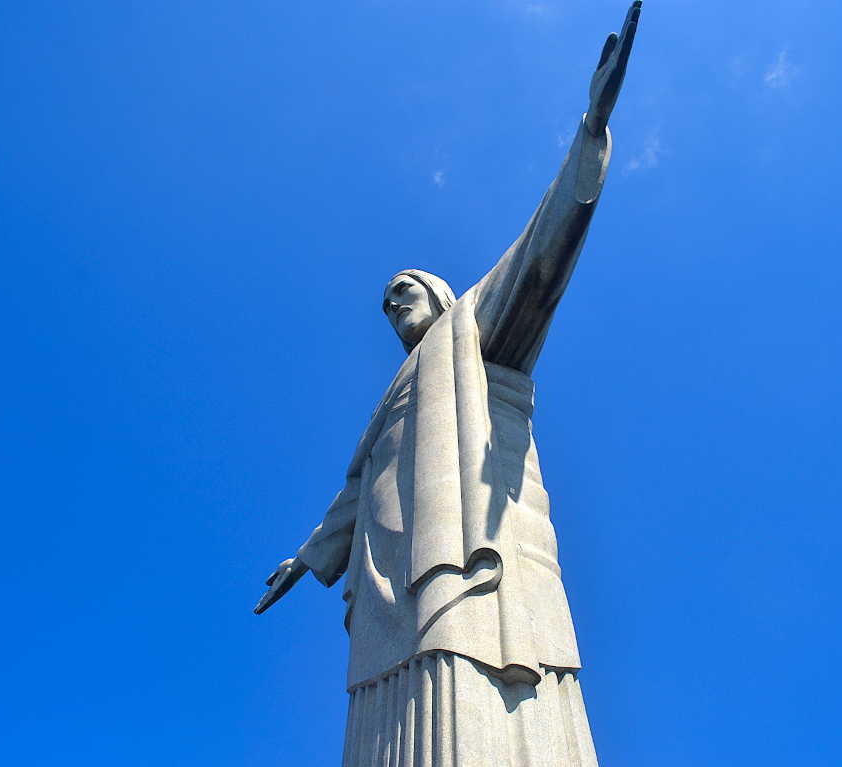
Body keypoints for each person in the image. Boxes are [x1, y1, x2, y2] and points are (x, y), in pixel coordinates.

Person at [255, 5, 643, 764]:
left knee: (467, 677)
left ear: (438, 296)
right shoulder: (391, 402)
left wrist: (591, 131)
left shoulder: (471, 327)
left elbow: (540, 256)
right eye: (385, 301)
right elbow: (354, 493)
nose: (391, 302)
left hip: (458, 550)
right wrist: (305, 559)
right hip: (385, 582)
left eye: (403, 289)